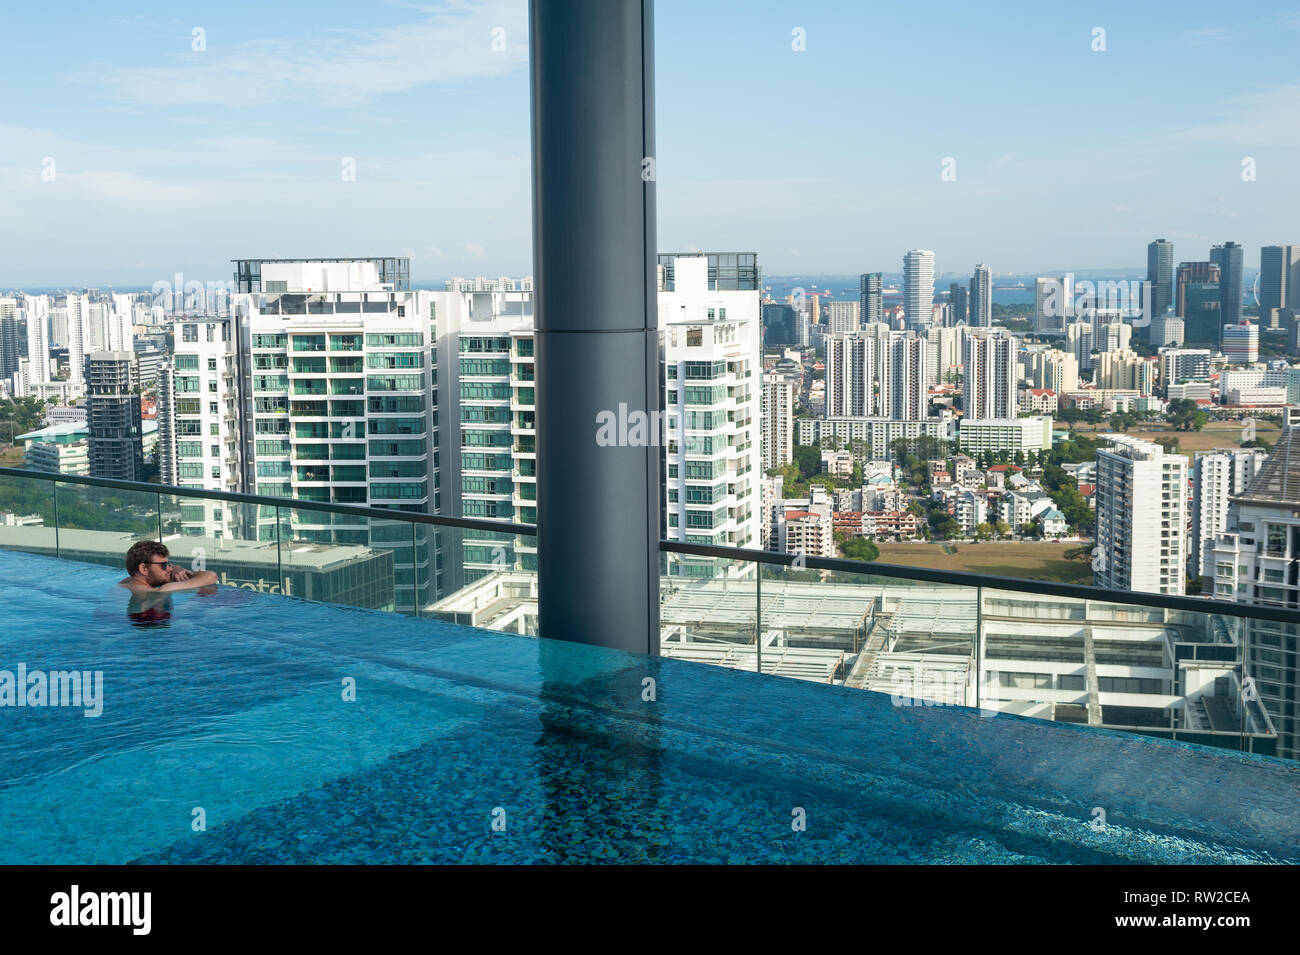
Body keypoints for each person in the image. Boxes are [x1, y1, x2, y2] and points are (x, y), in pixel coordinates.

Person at [120, 540, 218, 595]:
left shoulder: (122, 585)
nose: (169, 569)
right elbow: (211, 576)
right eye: (163, 565)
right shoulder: (161, 591)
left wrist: (175, 569)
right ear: (143, 568)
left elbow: (134, 575)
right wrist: (183, 571)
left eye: (168, 564)